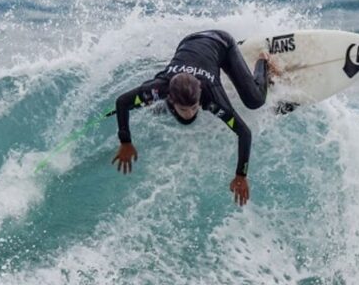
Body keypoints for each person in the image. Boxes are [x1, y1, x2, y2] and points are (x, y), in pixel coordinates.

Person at [111, 29, 273, 206]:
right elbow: (122, 102)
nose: (190, 113)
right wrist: (125, 141)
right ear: (171, 99)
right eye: (184, 108)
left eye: (194, 107)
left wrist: (241, 176)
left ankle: (263, 60)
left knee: (255, 100)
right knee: (151, 105)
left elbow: (244, 133)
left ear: (200, 97)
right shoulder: (158, 88)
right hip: (188, 42)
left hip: (222, 44)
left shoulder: (212, 97)